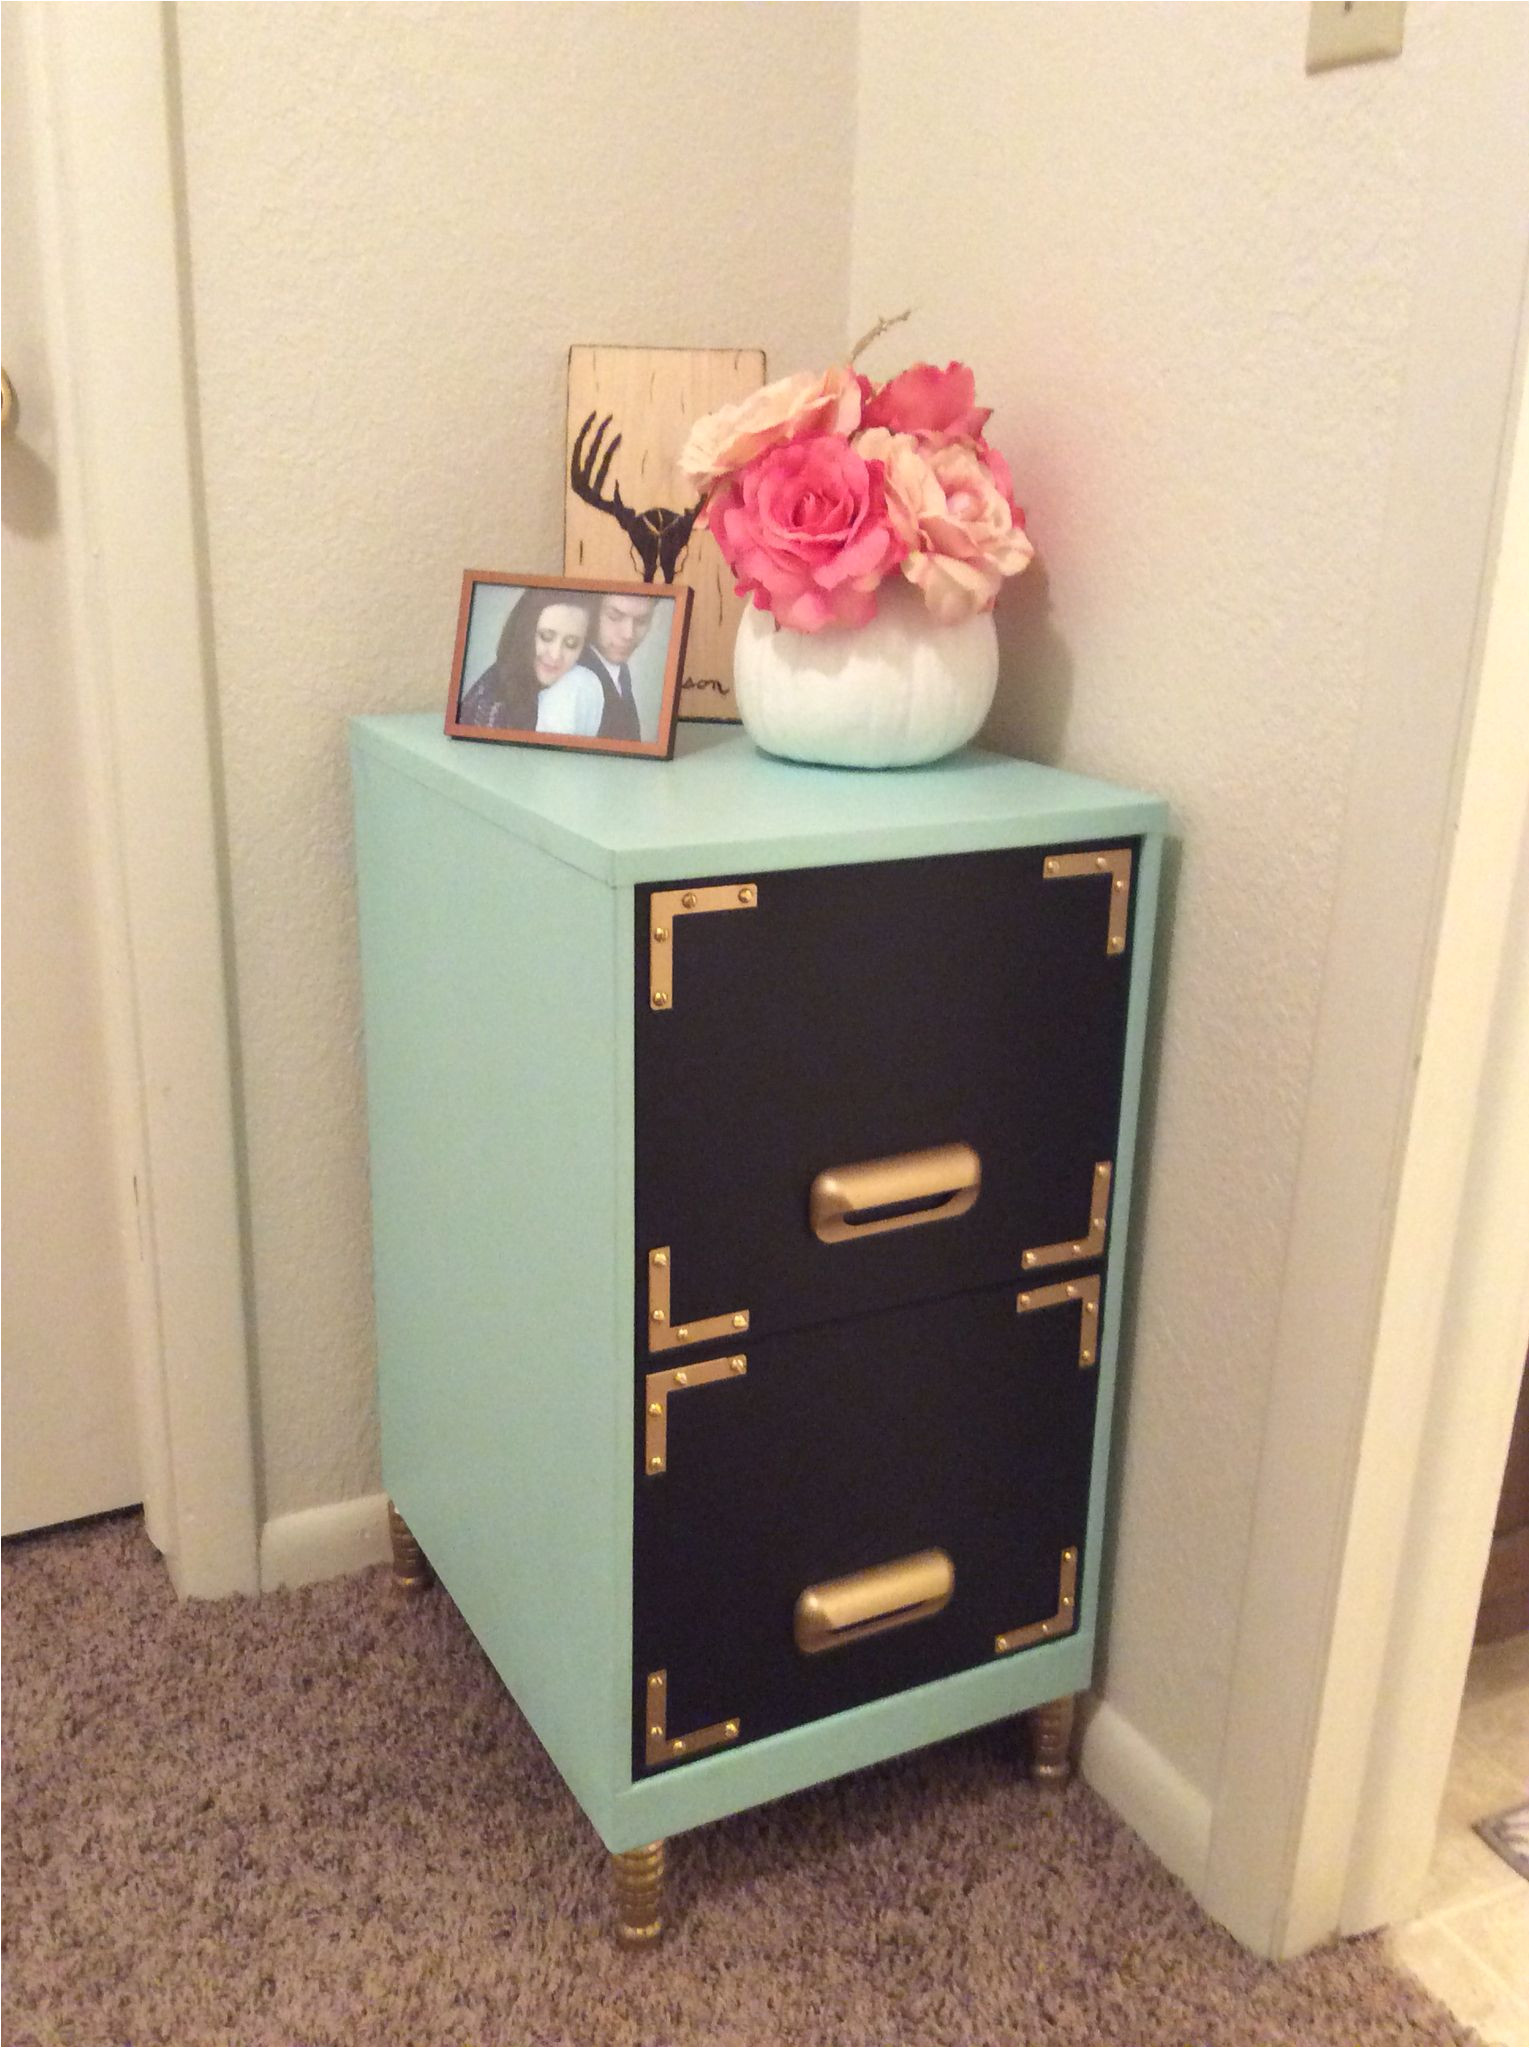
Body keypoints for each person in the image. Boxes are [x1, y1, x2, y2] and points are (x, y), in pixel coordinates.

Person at [458, 588, 598, 733]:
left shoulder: (583, 682)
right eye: (546, 637)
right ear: (525, 634)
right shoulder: (490, 708)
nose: (556, 655)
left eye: (571, 644)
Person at [560, 592, 659, 742]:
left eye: (641, 621)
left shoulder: (620, 672)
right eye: (614, 617)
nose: (628, 634)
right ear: (593, 612)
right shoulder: (574, 680)